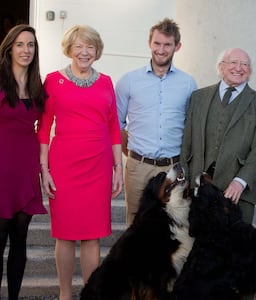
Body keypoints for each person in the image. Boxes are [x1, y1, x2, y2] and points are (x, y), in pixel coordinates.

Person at [37, 25, 123, 300]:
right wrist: (44, 169)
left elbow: (112, 127)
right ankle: (65, 295)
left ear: (97, 51)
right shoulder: (52, 80)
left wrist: (117, 167)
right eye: (79, 46)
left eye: (90, 47)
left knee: (92, 235)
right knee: (64, 234)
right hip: (63, 166)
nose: (84, 52)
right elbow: (44, 126)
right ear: (69, 49)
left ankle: (90, 294)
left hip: (98, 167)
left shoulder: (107, 81)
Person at [116, 18, 196, 225]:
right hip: (138, 167)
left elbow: (191, 126)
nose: (161, 50)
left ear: (177, 47)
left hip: (173, 167)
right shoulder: (129, 81)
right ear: (149, 43)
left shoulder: (188, 83)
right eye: (157, 43)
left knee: (173, 226)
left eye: (167, 44)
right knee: (136, 224)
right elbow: (117, 124)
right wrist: (132, 152)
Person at [180, 47, 256, 224]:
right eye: (233, 62)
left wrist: (240, 181)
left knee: (235, 247)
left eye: (245, 64)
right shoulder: (198, 97)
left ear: (250, 70)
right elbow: (187, 143)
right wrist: (185, 180)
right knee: (199, 246)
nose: (239, 68)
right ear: (221, 67)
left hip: (237, 192)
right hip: (199, 189)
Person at [0, 24, 47, 300]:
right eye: (20, 44)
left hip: (26, 168)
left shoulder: (38, 85)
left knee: (20, 240)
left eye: (30, 45)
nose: (25, 50)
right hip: (2, 168)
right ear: (9, 48)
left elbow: (46, 126)